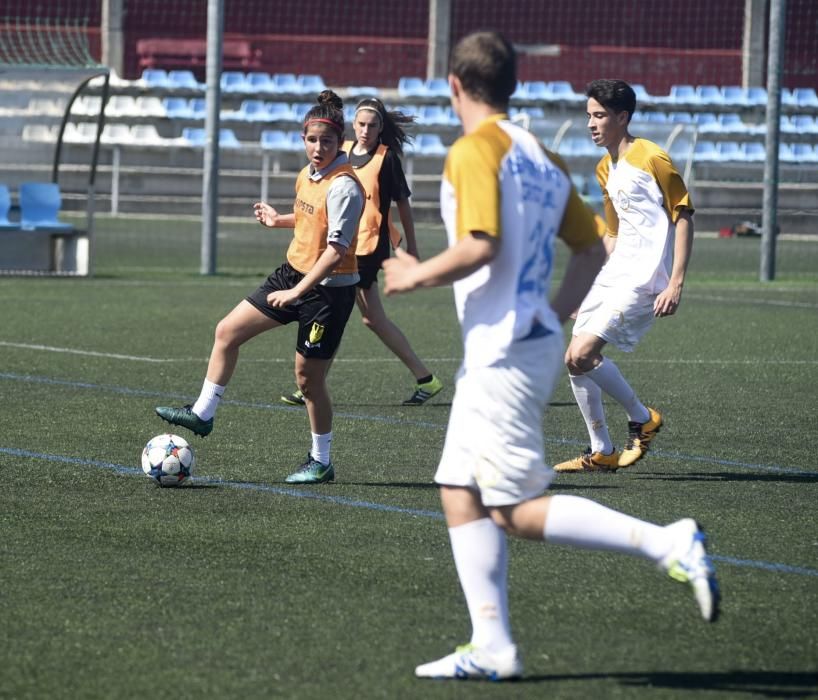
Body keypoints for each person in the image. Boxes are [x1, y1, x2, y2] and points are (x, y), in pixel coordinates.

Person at [382, 31, 718, 682]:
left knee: (513, 509)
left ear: (454, 86)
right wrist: (551, 316)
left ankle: (666, 541)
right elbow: (590, 251)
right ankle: (492, 646)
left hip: (503, 350)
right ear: (509, 87)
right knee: (458, 489)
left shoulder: (474, 151)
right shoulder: (542, 155)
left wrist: (411, 276)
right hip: (522, 340)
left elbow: (479, 245)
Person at [155, 90, 364, 485]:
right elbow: (310, 223)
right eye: (312, 139)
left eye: (328, 141)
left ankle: (321, 460)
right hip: (292, 275)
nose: (318, 148)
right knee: (227, 331)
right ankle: (203, 413)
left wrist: (298, 292)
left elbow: (336, 251)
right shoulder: (308, 175)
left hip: (327, 292)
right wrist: (278, 220)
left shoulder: (345, 187)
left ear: (341, 143)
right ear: (303, 138)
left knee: (308, 380)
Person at [554, 78, 695, 473]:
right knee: (572, 359)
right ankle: (602, 450)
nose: (591, 124)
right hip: (614, 274)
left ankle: (642, 417)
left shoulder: (653, 157)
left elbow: (682, 215)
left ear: (622, 117)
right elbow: (613, 234)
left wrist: (676, 282)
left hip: (644, 278)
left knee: (584, 353)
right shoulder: (604, 168)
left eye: (599, 116)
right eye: (588, 116)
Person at [280, 96, 442, 408]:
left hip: (368, 247)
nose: (366, 130)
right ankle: (425, 378)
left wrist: (413, 245)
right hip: (349, 244)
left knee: (354, 314)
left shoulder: (386, 158)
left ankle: (312, 383)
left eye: (373, 124)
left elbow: (402, 204)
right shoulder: (342, 153)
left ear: (382, 128)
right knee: (360, 317)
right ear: (353, 126)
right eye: (362, 124)